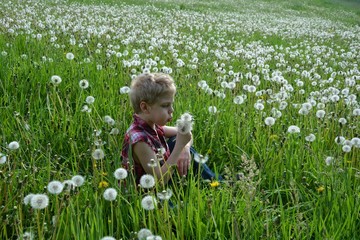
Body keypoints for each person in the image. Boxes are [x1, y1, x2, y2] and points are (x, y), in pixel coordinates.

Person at [121, 72, 220, 186]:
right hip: (149, 192)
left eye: (171, 105)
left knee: (177, 141)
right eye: (165, 105)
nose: (171, 110)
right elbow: (159, 181)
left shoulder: (153, 125)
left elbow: (186, 134)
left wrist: (185, 149)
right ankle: (215, 184)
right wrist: (179, 148)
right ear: (145, 107)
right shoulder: (140, 140)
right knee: (176, 143)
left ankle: (217, 182)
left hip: (166, 175)